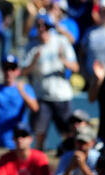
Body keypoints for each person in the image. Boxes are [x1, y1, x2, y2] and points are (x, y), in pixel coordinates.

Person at [21, 13, 80, 150]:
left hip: (61, 95)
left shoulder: (61, 41)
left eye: (45, 26)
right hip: (41, 96)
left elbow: (76, 67)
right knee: (39, 135)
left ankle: (66, 164)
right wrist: (33, 62)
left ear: (51, 27)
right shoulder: (31, 45)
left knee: (68, 135)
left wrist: (63, 60)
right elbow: (22, 72)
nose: (42, 29)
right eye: (39, 26)